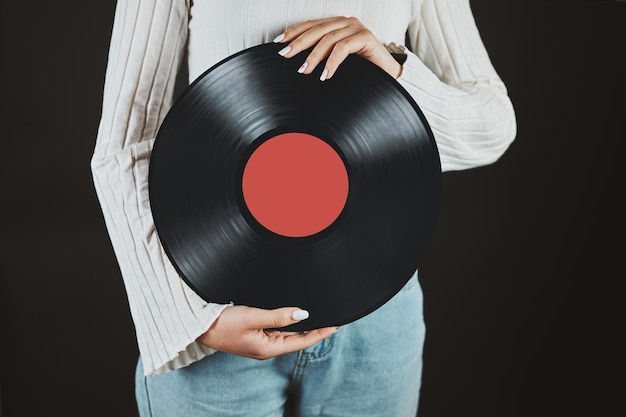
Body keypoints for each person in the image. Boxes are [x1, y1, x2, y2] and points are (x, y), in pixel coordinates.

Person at [92, 1, 516, 416]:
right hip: (217, 312)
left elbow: (493, 125)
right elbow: (124, 145)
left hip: (377, 318)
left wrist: (396, 73)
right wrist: (192, 319)